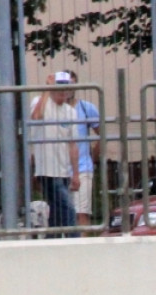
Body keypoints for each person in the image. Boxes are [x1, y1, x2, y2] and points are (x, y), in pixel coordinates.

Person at [30, 71, 79, 232]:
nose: (63, 91)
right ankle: (74, 241)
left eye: (67, 87)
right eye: (59, 87)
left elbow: (72, 144)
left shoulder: (70, 111)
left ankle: (53, 241)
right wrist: (46, 89)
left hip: (63, 170)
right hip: (47, 170)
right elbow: (36, 116)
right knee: (69, 209)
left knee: (57, 214)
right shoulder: (40, 102)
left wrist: (76, 174)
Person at [65, 70, 100, 230]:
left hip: (82, 167)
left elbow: (102, 134)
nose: (68, 88)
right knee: (63, 212)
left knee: (82, 212)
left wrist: (93, 157)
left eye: (72, 84)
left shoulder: (86, 108)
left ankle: (83, 246)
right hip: (60, 169)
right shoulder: (54, 110)